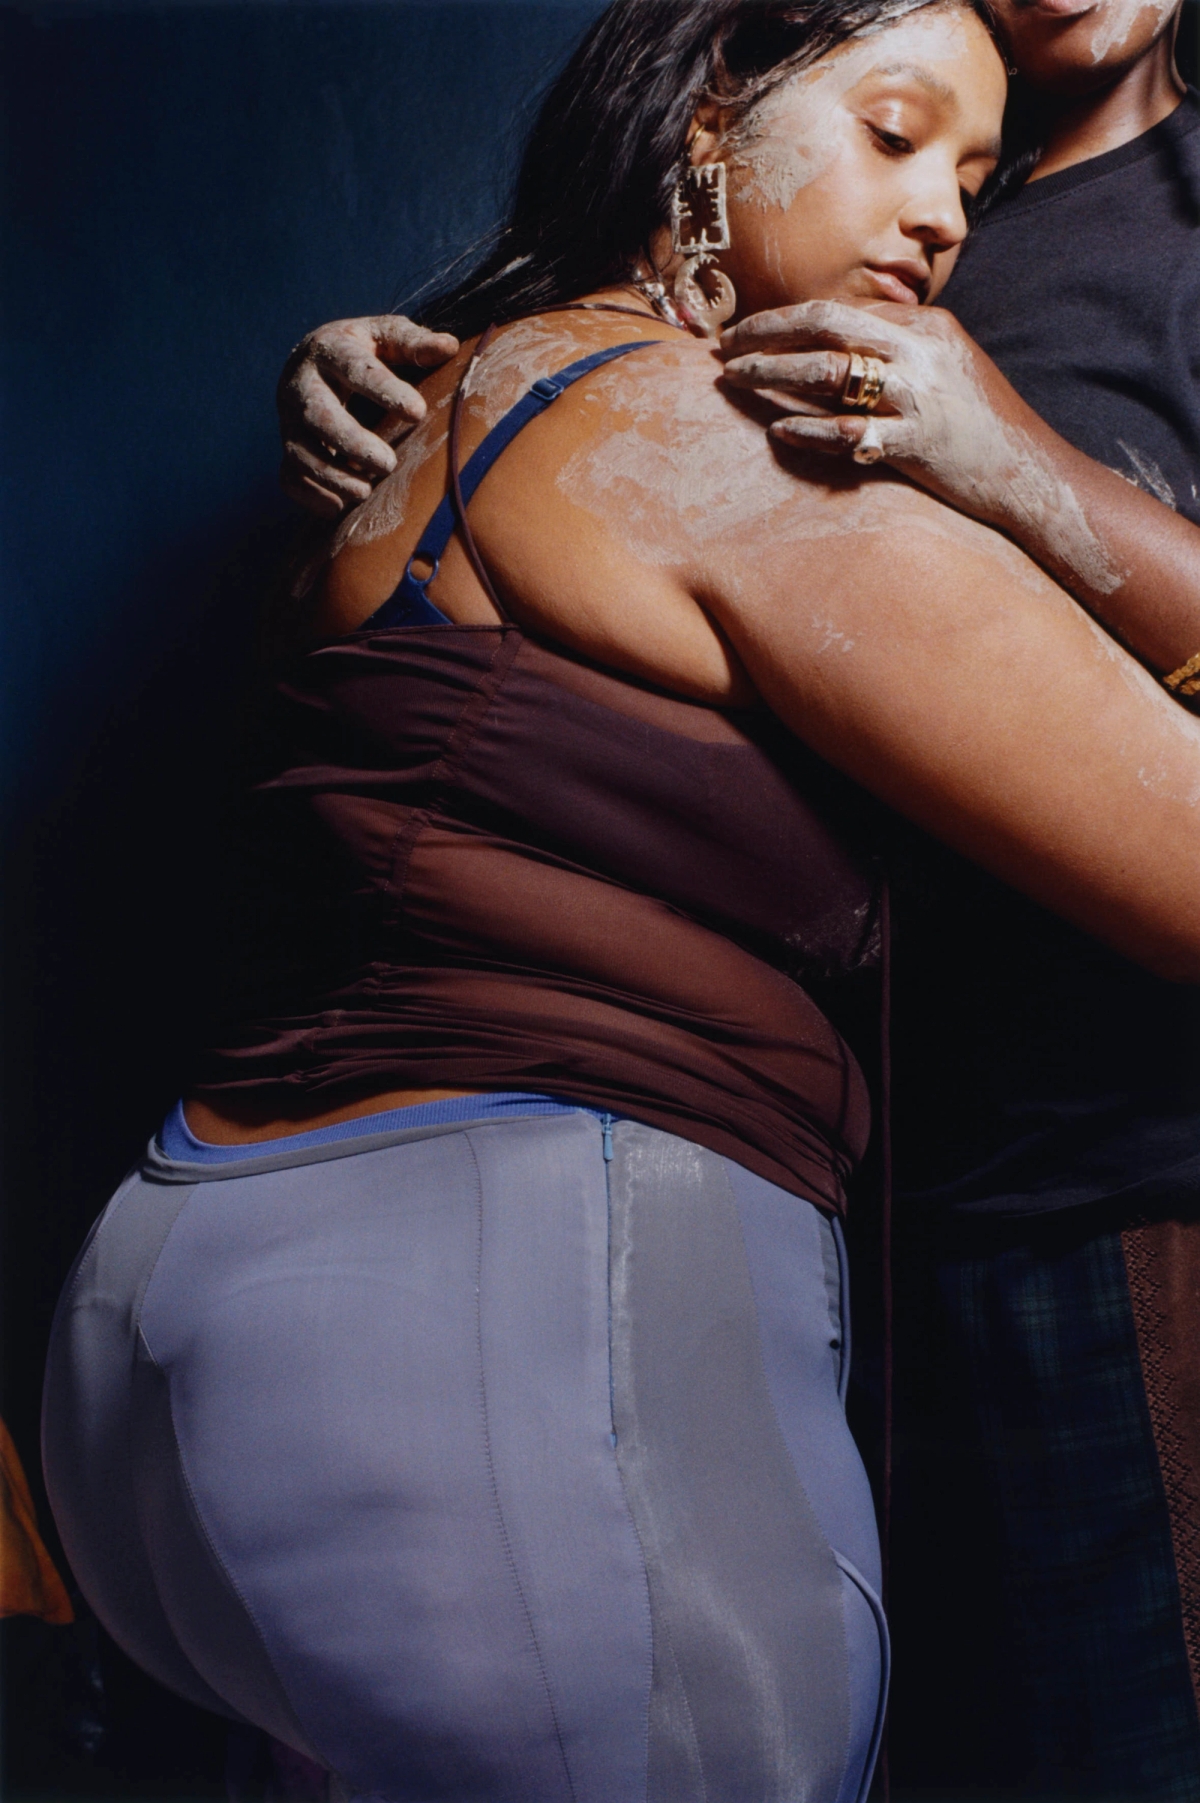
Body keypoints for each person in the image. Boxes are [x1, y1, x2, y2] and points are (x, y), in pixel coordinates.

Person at [43, 3, 1200, 1801]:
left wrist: (1017, 464)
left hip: (170, 1329)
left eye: (969, 175)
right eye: (895, 136)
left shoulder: (458, 401)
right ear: (711, 125)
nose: (943, 218)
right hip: (517, 1356)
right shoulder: (725, 445)